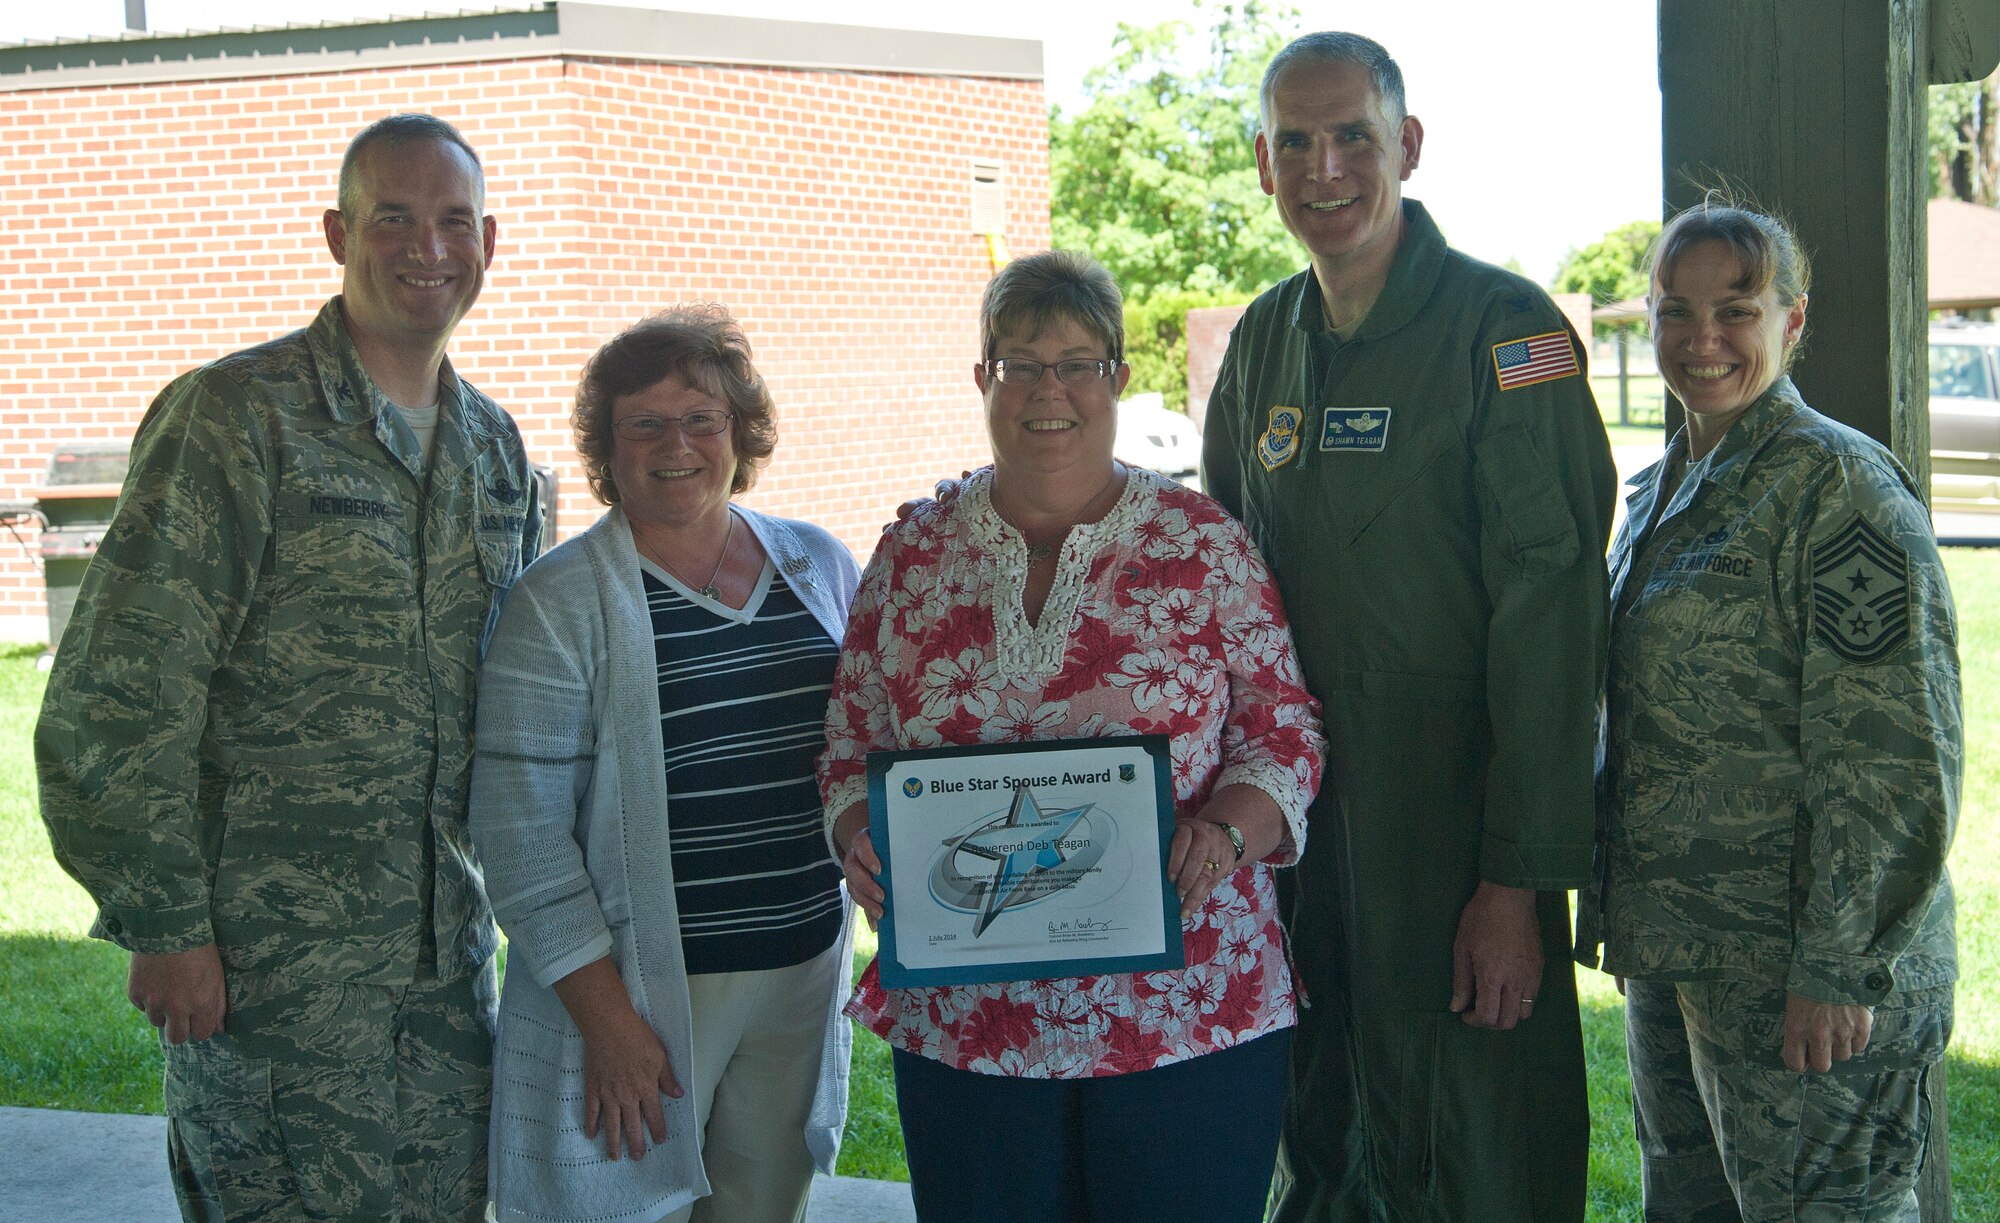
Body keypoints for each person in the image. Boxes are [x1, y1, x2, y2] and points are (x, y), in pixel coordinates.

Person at [35, 113, 540, 1221]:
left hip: (444, 983)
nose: (428, 248)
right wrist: (165, 923)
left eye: (454, 221)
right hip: (269, 983)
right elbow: (122, 690)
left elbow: (516, 709)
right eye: (393, 218)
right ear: (337, 234)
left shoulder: (496, 452)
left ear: (489, 242)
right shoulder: (237, 418)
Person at [1200, 32, 1617, 1222]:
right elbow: (1219, 583)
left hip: (1453, 822)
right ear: (1263, 164)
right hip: (1298, 822)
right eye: (1294, 142)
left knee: (1472, 1136)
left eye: (1352, 136)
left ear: (1408, 145)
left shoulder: (1507, 332)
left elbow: (1552, 616)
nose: (1323, 167)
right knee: (1322, 1123)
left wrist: (1513, 880)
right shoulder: (1264, 341)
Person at [821, 249, 1325, 1223]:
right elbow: (851, 737)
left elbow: (1284, 730)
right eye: (1020, 363)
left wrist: (1226, 829)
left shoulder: (1202, 543)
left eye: (1077, 363)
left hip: (1187, 1012)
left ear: (1117, 378)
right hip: (970, 1024)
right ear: (983, 377)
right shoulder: (913, 552)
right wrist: (858, 836)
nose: (1047, 389)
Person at [1575, 198, 1959, 1221]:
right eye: (1675, 310)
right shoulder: (1664, 487)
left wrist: (1838, 963)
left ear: (1792, 320)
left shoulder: (1837, 487)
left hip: (1800, 969)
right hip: (1682, 951)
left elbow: (1893, 753)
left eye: (1735, 310)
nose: (1701, 338)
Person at [470, 305, 860, 1223]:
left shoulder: (817, 563)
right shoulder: (557, 601)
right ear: (608, 449)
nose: (675, 444)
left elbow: (864, 744)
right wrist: (607, 1023)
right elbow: (519, 834)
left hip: (801, 972)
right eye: (643, 423)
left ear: (741, 431)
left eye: (701, 419)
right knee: (626, 1209)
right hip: (641, 990)